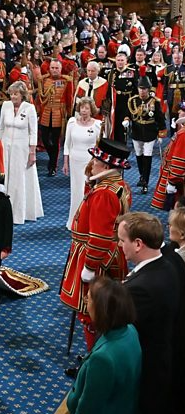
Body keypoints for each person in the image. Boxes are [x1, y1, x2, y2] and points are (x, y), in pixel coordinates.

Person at [60, 138, 132, 353]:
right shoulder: (118, 185)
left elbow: (99, 235)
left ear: (107, 166)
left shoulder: (104, 193)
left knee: (91, 311)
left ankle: (94, 355)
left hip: (96, 256)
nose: (93, 162)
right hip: (107, 252)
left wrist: (90, 266)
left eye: (97, 160)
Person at [119, 212, 182, 413]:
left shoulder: (140, 288)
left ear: (138, 244)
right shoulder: (169, 263)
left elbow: (120, 331)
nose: (120, 246)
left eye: (122, 240)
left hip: (147, 372)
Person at [65, 276, 141, 414]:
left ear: (101, 308)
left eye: (88, 299)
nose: (86, 303)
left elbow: (89, 407)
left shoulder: (103, 359)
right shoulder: (129, 330)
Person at [0, 81, 43, 224]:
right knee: (5, 177)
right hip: (5, 146)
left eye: (16, 94)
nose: (13, 97)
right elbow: (1, 128)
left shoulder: (29, 108)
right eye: (11, 94)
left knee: (19, 179)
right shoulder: (5, 106)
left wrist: (32, 152)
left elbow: (33, 132)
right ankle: (4, 211)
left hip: (22, 148)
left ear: (22, 94)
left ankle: (19, 213)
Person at [123, 73, 166, 194]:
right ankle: (142, 176)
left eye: (145, 89)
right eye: (141, 88)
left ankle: (145, 182)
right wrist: (126, 120)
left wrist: (161, 133)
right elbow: (129, 113)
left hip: (150, 132)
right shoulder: (133, 100)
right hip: (136, 132)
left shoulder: (154, 102)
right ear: (138, 89)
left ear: (149, 89)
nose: (142, 91)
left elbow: (160, 118)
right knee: (139, 155)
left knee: (147, 156)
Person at [63, 97, 102, 228]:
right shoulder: (72, 122)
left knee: (87, 191)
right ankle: (74, 221)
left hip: (90, 163)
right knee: (76, 191)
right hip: (75, 161)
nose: (84, 111)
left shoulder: (97, 125)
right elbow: (67, 144)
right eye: (82, 108)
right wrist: (65, 162)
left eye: (86, 108)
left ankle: (87, 223)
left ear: (91, 110)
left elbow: (100, 148)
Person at [36, 59, 73, 176]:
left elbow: (69, 99)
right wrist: (37, 112)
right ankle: (52, 158)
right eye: (52, 68)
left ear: (61, 69)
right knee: (45, 139)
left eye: (57, 68)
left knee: (56, 140)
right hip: (45, 112)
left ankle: (52, 166)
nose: (54, 70)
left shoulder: (66, 81)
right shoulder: (43, 80)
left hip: (59, 114)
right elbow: (40, 98)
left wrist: (69, 115)